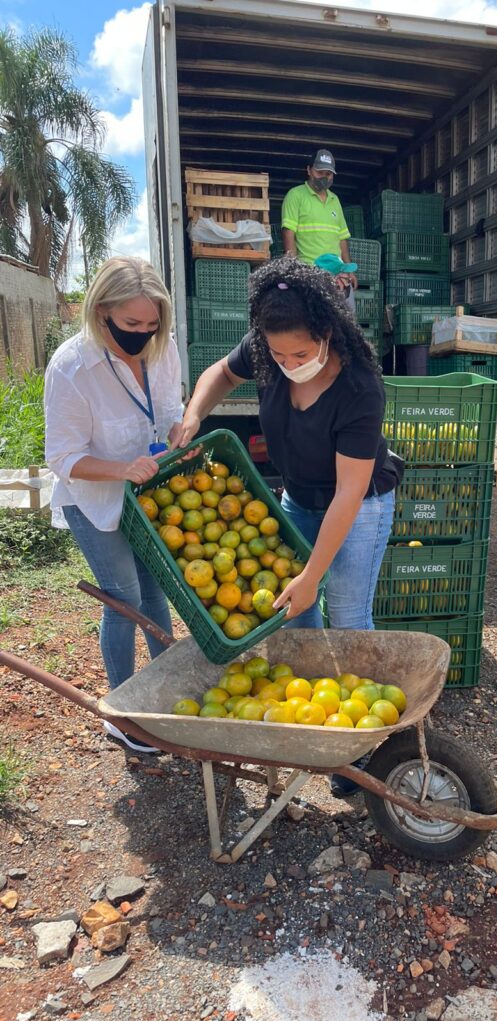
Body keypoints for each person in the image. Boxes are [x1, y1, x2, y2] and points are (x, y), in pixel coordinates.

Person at [174, 258, 402, 794]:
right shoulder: (264, 352)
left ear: (327, 334)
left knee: (346, 615)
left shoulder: (360, 388)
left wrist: (312, 576)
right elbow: (219, 374)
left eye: (299, 354)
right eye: (277, 354)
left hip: (358, 505)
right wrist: (193, 414)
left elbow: (348, 493)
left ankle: (358, 751)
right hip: (296, 499)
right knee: (294, 617)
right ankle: (312, 721)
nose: (287, 362)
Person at [44, 256, 184, 753]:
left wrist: (177, 434)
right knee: (122, 598)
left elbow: (170, 411)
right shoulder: (72, 366)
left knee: (156, 591)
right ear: (102, 310)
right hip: (95, 499)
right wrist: (120, 470)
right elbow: (62, 457)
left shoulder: (160, 350)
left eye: (150, 324)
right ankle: (122, 712)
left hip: (146, 494)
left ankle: (166, 692)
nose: (142, 334)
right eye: (131, 324)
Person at [281, 149, 358, 299]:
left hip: (337, 275)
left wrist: (349, 270)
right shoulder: (295, 195)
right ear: (309, 170)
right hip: (309, 272)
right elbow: (288, 232)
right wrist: (293, 268)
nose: (324, 177)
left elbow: (342, 238)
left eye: (328, 174)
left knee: (344, 319)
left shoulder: (335, 200)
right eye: (320, 172)